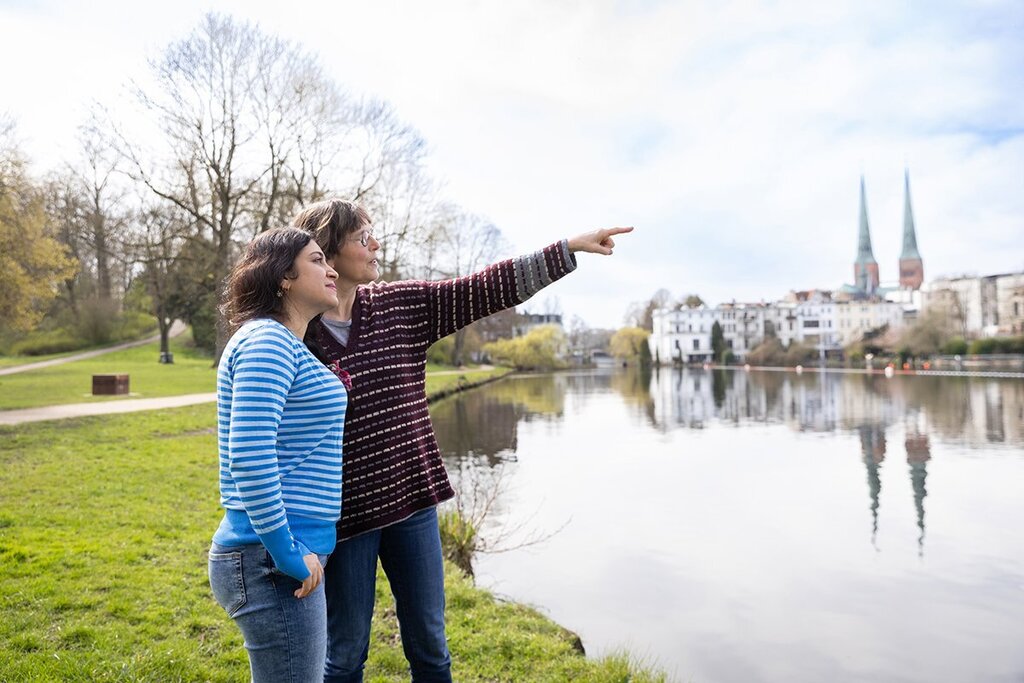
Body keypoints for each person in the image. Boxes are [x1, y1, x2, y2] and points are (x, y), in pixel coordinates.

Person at [293, 199, 632, 682]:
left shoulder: (400, 305)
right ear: (327, 250)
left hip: (413, 503)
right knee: (345, 654)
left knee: (430, 647)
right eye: (363, 236)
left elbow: (484, 288)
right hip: (345, 517)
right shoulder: (295, 332)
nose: (376, 244)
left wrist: (567, 249)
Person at [207, 227, 349, 683]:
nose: (331, 270)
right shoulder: (267, 341)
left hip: (282, 555)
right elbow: (249, 456)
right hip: (271, 559)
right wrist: (288, 554)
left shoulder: (286, 344)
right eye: (317, 260)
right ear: (284, 275)